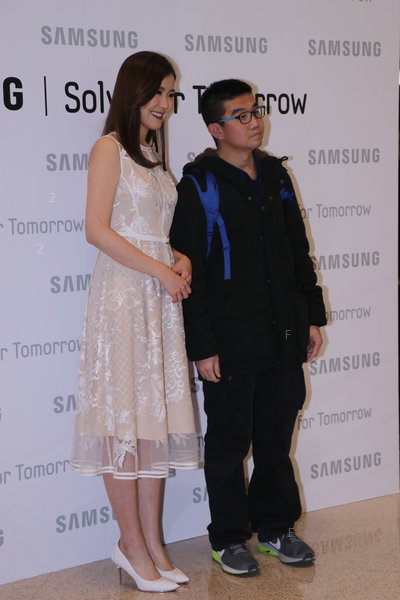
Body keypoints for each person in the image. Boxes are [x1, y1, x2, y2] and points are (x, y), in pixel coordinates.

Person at [170, 79, 327, 577]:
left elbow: (298, 250)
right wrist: (203, 346)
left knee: (276, 438)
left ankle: (277, 528)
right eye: (240, 116)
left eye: (255, 111)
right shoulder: (198, 185)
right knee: (229, 444)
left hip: (283, 332)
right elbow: (189, 273)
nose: (254, 121)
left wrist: (311, 316)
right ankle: (228, 538)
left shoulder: (277, 174)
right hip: (230, 339)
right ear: (215, 129)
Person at [71, 51, 198, 592]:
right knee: (124, 419)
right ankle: (130, 544)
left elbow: (151, 230)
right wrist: (160, 270)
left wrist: (177, 258)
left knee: (150, 423)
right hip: (123, 297)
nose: (165, 103)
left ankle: (152, 545)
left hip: (156, 299)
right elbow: (96, 229)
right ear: (133, 91)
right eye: (157, 92)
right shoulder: (110, 149)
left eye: (171, 94)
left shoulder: (151, 154)